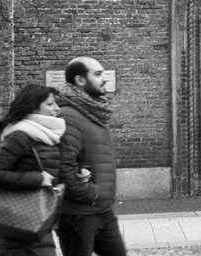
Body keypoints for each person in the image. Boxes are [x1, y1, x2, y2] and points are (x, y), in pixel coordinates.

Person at [0, 85, 66, 256]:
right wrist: (38, 179)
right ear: (33, 107)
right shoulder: (20, 136)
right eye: (50, 104)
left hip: (37, 221)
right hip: (16, 226)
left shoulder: (45, 136)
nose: (57, 108)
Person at [56, 56, 126, 256]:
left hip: (102, 211)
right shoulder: (68, 116)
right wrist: (91, 193)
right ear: (80, 80)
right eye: (97, 74)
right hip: (78, 215)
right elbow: (63, 167)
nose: (104, 78)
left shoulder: (93, 113)